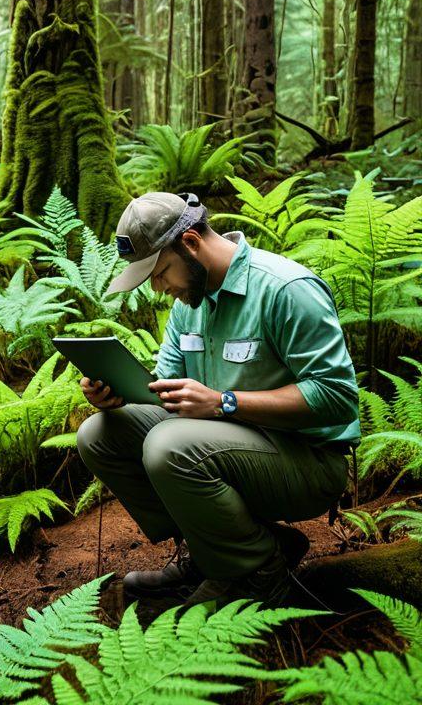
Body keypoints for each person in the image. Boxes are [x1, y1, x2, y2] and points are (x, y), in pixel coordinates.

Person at [75, 191, 360, 607]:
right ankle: (216, 552)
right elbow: (167, 392)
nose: (158, 289)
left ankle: (255, 571)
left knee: (167, 446)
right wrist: (118, 398)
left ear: (190, 243)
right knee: (99, 434)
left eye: (159, 272)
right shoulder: (188, 304)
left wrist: (225, 402)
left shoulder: (285, 289)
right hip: (224, 447)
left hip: (308, 462)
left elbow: (336, 397)